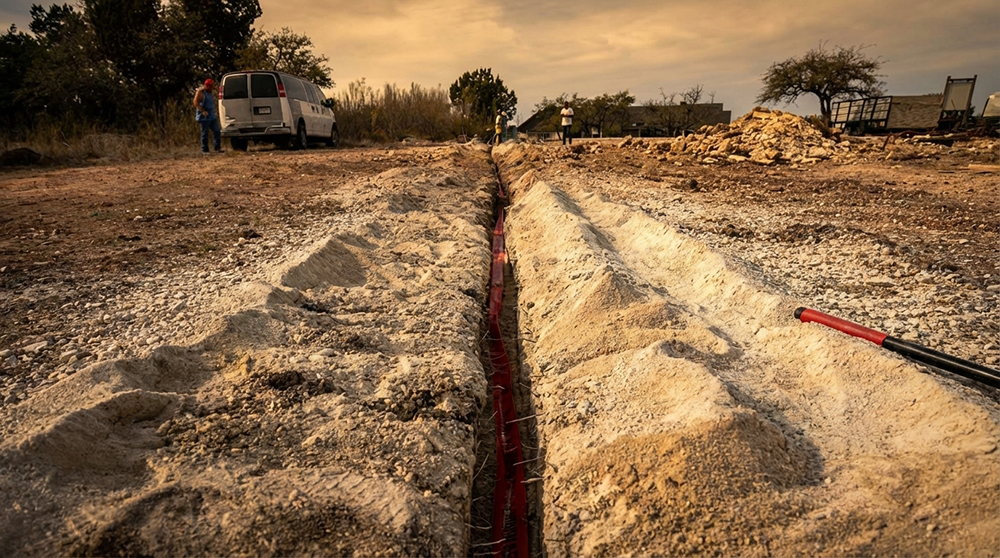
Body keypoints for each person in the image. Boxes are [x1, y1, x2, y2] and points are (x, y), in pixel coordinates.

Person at [194, 79, 223, 154]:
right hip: (204, 118)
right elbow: (196, 103)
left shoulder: (209, 94)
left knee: (217, 131)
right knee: (205, 133)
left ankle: (217, 147)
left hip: (212, 116)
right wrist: (202, 111)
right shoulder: (201, 93)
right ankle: (205, 150)